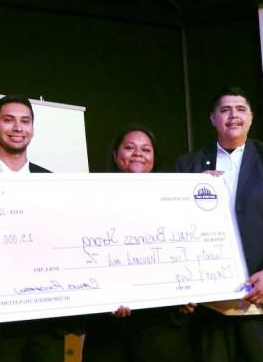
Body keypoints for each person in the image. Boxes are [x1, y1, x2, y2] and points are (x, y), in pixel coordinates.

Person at [175, 87, 263, 362]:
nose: (233, 115)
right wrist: (191, 188)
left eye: (240, 109)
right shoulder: (189, 165)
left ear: (250, 118)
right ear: (213, 119)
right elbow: (173, 225)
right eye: (225, 110)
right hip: (210, 305)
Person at [0, 95, 71, 362]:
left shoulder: (52, 183)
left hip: (47, 320)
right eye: (8, 120)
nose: (18, 128)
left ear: (33, 128)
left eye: (25, 121)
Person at [82, 125, 194, 362]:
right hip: (109, 328)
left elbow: (188, 248)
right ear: (115, 154)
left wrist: (192, 290)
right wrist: (103, 300)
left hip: (162, 325)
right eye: (129, 147)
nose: (138, 153)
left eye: (146, 149)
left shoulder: (175, 199)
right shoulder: (89, 198)